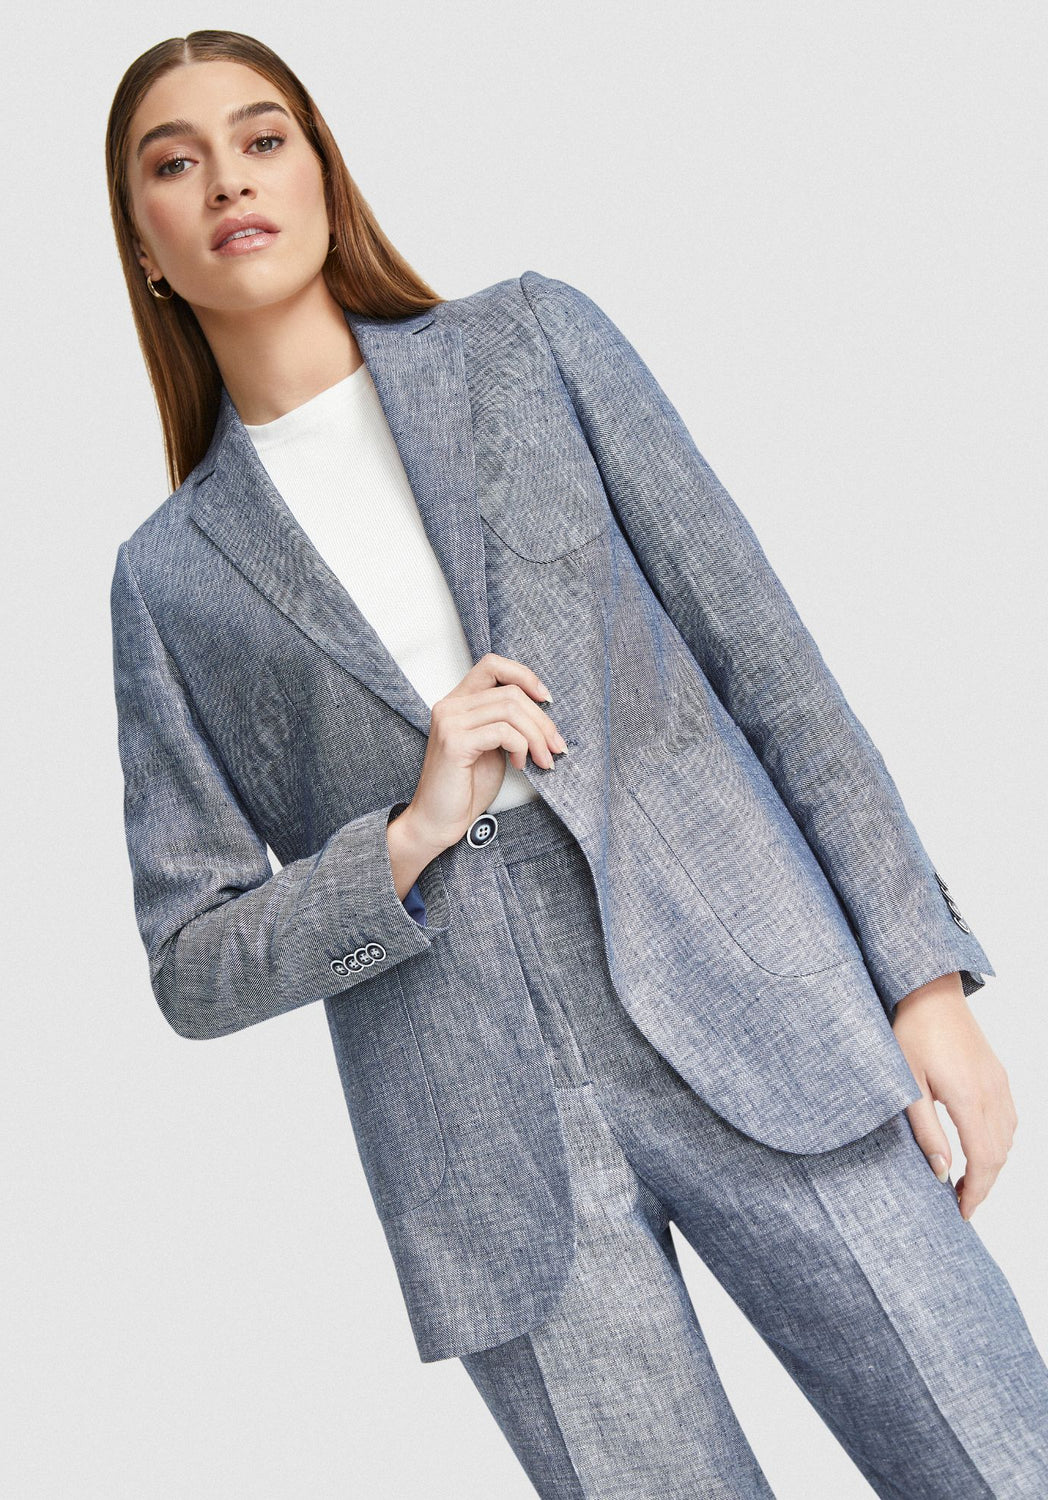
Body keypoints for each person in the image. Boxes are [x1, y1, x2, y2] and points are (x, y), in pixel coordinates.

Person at [106, 30, 1048, 1496]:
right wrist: (402, 840)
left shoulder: (530, 347)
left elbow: (766, 663)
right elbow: (192, 962)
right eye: (176, 163)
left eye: (263, 137)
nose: (230, 179)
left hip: (759, 1012)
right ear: (144, 244)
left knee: (997, 1455)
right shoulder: (169, 579)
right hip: (486, 1155)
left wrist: (924, 981)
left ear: (322, 171)